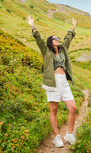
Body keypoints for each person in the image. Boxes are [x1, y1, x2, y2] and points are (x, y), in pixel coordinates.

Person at [26, 15, 77, 148]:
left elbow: (68, 38)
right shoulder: (46, 50)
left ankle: (69, 134)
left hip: (63, 82)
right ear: (51, 41)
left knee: (73, 108)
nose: (58, 40)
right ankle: (57, 137)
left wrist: (72, 27)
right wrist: (33, 26)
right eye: (55, 38)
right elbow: (39, 40)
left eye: (58, 38)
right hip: (52, 82)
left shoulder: (63, 49)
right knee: (53, 109)